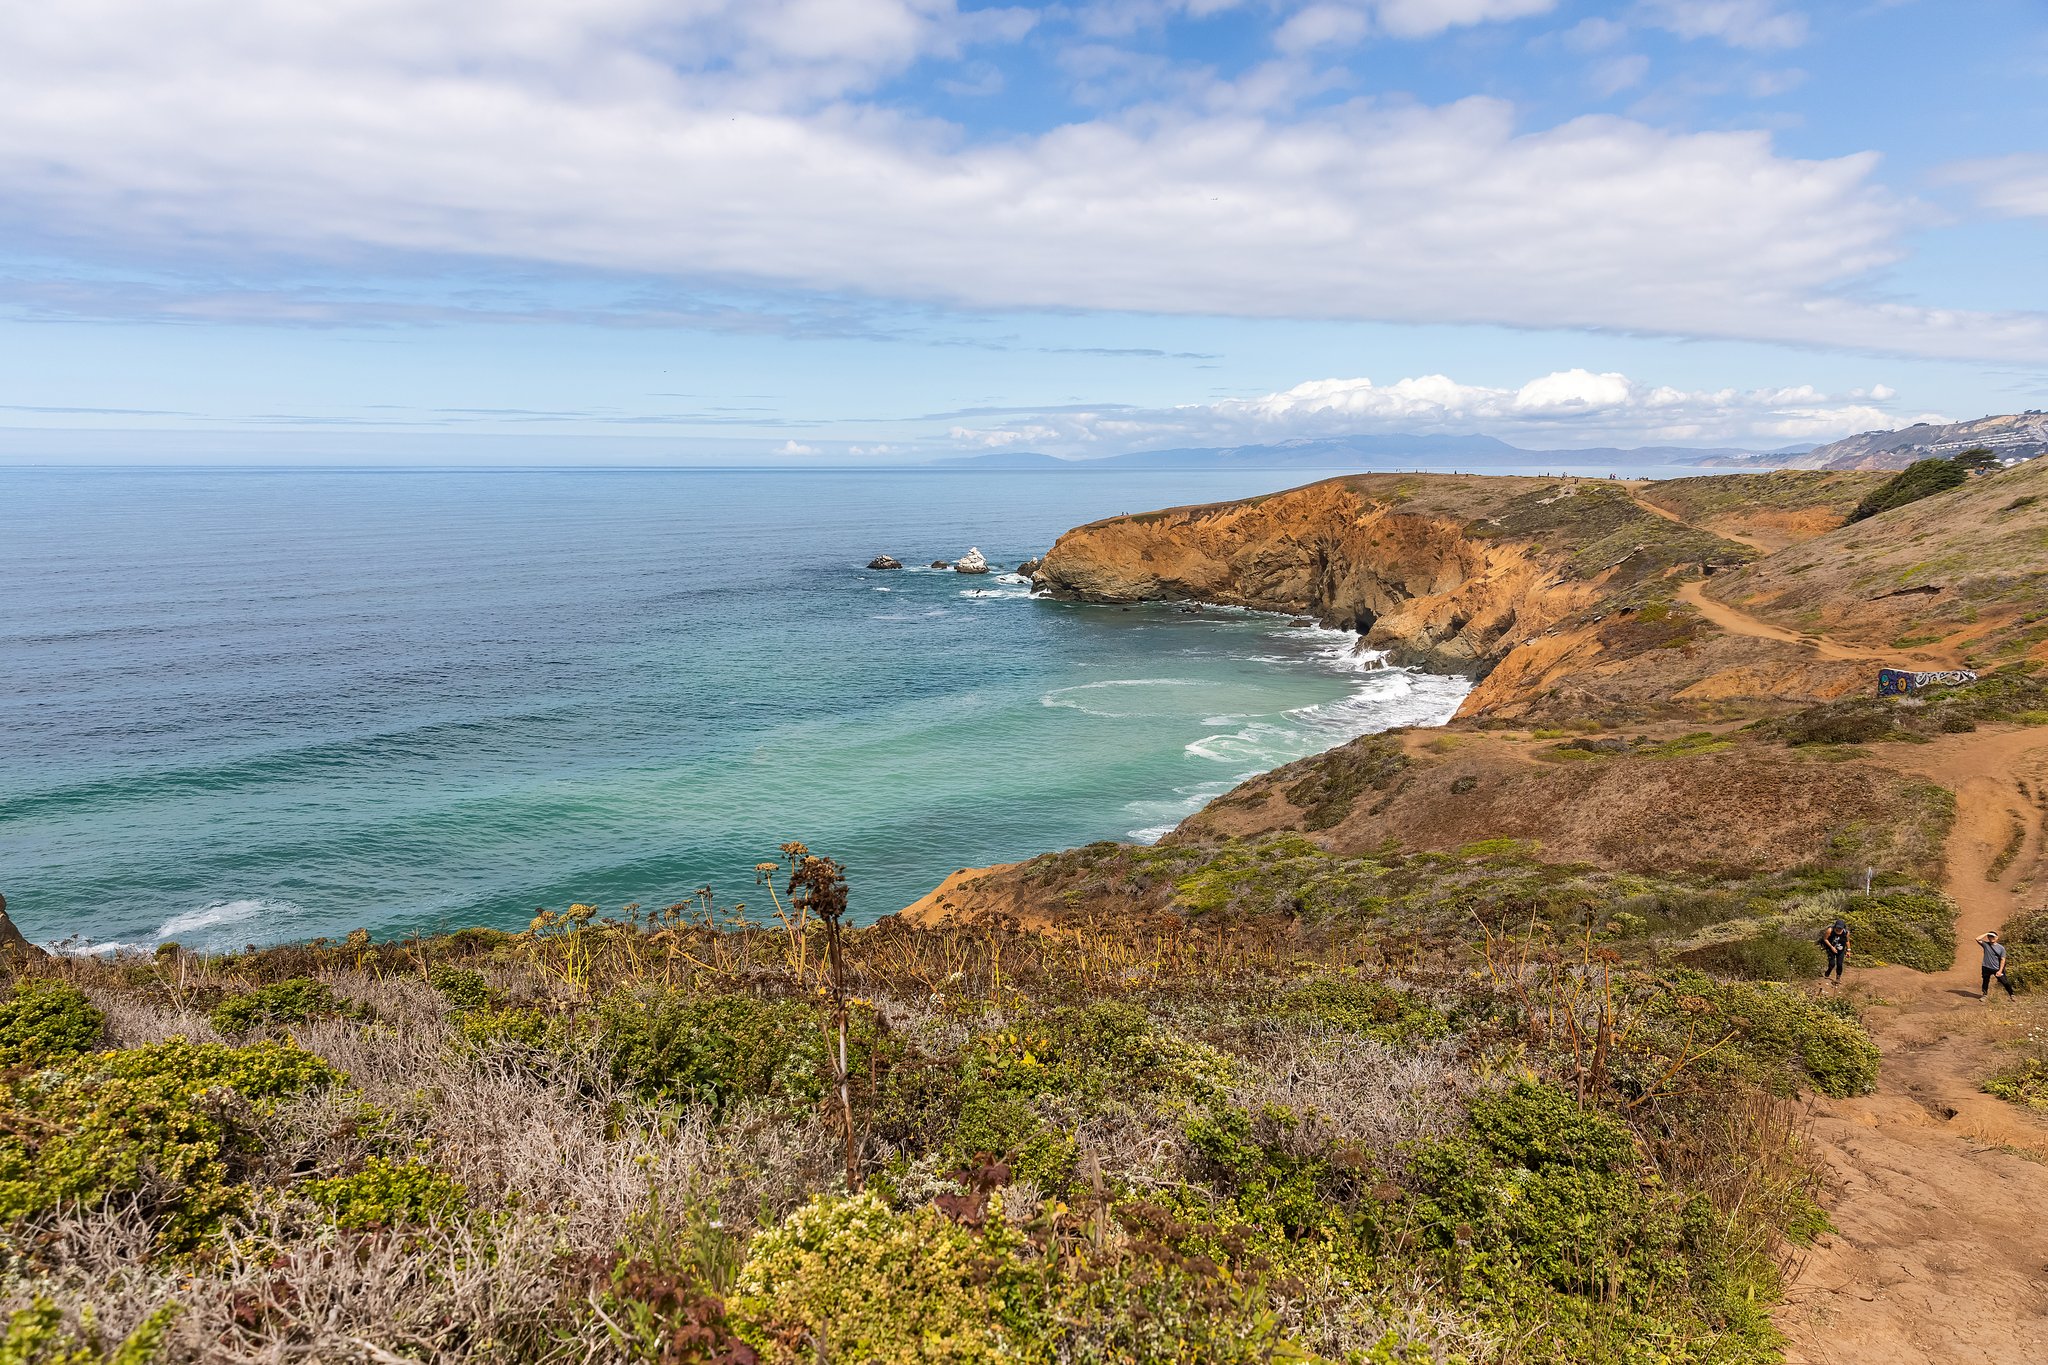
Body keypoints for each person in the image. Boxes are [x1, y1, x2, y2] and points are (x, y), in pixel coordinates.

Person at [1979, 931, 2016, 999]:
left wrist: (2000, 970)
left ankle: (2012, 994)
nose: (1991, 938)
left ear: (1997, 938)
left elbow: (2003, 959)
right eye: (1990, 936)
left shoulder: (2001, 948)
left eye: (1993, 936)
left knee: (2004, 981)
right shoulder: (1986, 944)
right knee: (1985, 981)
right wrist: (1986, 933)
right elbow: (1977, 939)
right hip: (1986, 967)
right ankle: (1984, 995)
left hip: (1996, 968)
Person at [1818, 918, 1851, 982]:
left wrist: (1848, 951)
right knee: (1832, 964)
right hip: (1831, 949)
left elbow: (1847, 941)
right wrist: (1831, 947)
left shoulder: (1846, 932)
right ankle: (1829, 971)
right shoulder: (1830, 930)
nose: (1839, 929)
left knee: (1839, 964)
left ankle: (1838, 977)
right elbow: (1825, 939)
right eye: (1838, 928)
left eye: (1840, 928)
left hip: (1841, 950)